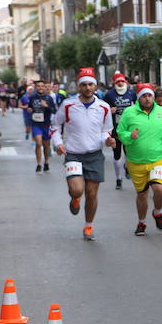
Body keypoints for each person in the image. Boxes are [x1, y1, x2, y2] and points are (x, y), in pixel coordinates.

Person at [50, 68, 116, 241]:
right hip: (73, 154)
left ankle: (88, 226)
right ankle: (75, 198)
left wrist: (108, 140)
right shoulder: (68, 105)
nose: (87, 88)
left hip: (94, 155)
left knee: (92, 194)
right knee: (77, 189)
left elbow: (106, 131)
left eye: (90, 84)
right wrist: (58, 144)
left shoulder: (103, 107)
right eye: (84, 85)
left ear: (95, 86)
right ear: (79, 87)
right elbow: (55, 127)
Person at [116, 83, 162, 236]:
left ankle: (157, 212)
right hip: (136, 161)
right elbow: (120, 132)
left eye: (149, 95)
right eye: (144, 96)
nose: (147, 99)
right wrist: (129, 136)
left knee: (160, 190)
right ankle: (142, 222)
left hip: (157, 158)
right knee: (142, 194)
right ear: (138, 97)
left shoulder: (161, 111)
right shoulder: (129, 112)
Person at [103, 71, 137, 190]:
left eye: (122, 81)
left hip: (128, 129)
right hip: (115, 129)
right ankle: (118, 178)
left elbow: (138, 107)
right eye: (118, 81)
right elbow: (101, 109)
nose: (121, 83)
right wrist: (108, 111)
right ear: (114, 83)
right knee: (117, 154)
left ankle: (127, 167)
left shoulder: (131, 93)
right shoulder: (109, 95)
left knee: (129, 153)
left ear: (126, 82)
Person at [26, 80, 55, 173]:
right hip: (36, 123)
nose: (40, 88)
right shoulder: (32, 97)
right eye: (38, 86)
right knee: (38, 143)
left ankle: (46, 162)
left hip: (46, 124)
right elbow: (29, 107)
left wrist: (46, 106)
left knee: (46, 145)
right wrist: (29, 110)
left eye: (42, 86)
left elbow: (53, 110)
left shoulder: (49, 98)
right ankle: (39, 164)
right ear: (36, 87)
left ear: (45, 87)